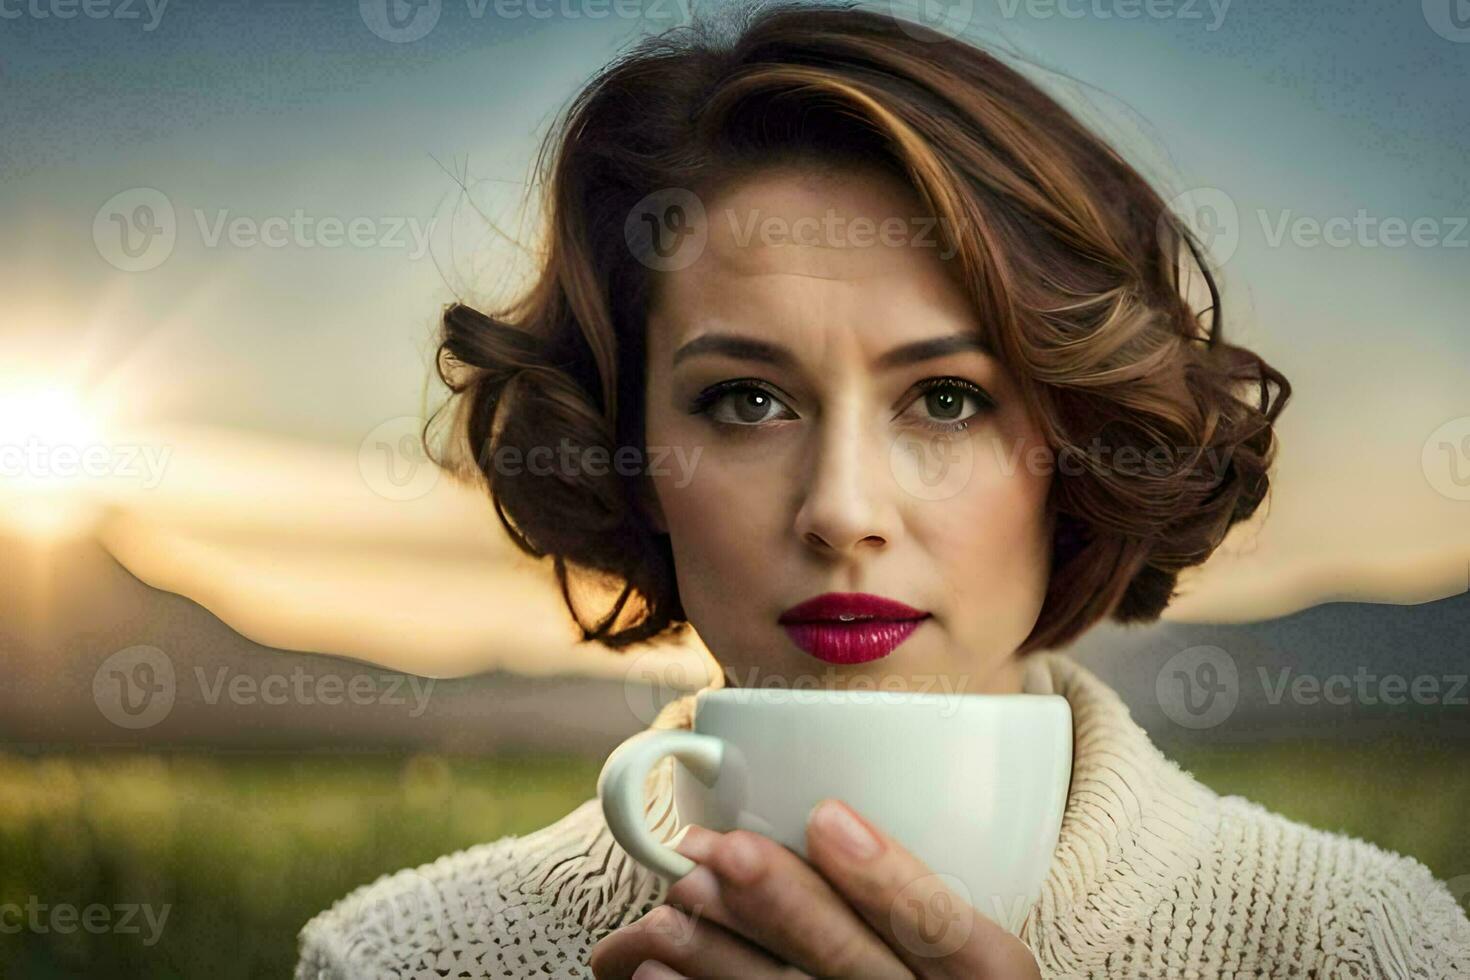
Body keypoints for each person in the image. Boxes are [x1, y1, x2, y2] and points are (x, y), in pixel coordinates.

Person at [295, 4, 1470, 976]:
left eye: (947, 399)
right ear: (633, 457)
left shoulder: (1358, 940)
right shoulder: (398, 959)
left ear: (1078, 442)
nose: (843, 509)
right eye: (747, 401)